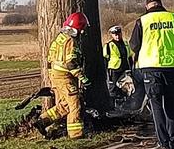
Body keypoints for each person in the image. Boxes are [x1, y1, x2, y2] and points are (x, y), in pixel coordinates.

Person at [130, 0, 174, 149]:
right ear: (161, 5)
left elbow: (134, 45)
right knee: (171, 105)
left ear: (147, 6)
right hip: (171, 67)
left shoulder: (142, 21)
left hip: (151, 68)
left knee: (156, 106)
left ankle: (163, 143)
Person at [33, 12, 90, 140]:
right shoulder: (71, 41)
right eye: (82, 28)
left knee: (65, 104)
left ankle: (42, 121)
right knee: (75, 104)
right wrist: (83, 79)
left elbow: (49, 60)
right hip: (65, 77)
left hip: (56, 76)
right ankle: (76, 135)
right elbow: (71, 63)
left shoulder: (59, 38)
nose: (83, 32)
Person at [103, 25, 133, 106]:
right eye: (114, 34)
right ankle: (112, 105)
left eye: (118, 33)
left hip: (125, 68)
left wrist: (132, 68)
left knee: (126, 87)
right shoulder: (109, 45)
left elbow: (129, 57)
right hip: (114, 69)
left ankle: (124, 105)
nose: (117, 36)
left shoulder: (126, 43)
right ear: (112, 35)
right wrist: (106, 71)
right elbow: (105, 59)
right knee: (113, 88)